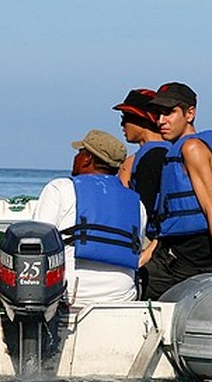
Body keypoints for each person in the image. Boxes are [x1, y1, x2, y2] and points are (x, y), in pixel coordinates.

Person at [139, 82, 212, 301]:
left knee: (132, 287)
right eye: (158, 114)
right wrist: (150, 250)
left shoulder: (193, 149)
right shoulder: (177, 150)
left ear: (190, 113)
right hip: (172, 254)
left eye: (169, 113)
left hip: (185, 262)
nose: (161, 121)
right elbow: (170, 220)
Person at [33, 130, 146, 305]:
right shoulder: (137, 204)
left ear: (87, 159)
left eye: (79, 152)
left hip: (72, 295)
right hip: (122, 297)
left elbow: (36, 243)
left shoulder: (60, 189)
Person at [112, 88, 168, 235]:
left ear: (141, 119)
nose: (122, 125)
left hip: (145, 237)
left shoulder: (133, 162)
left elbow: (124, 208)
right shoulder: (176, 151)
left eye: (125, 118)